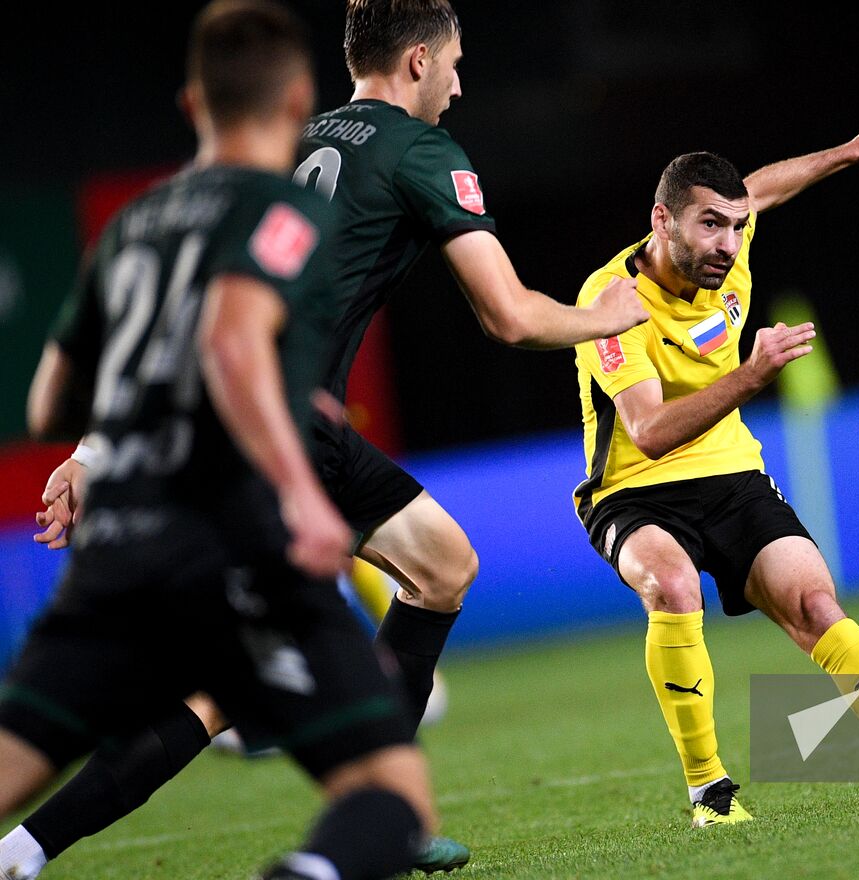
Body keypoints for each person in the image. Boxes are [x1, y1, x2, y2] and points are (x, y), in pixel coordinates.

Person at [10, 0, 647, 875]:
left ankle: (384, 812)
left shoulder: (289, 137)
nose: (460, 86)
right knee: (217, 691)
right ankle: (33, 847)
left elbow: (193, 308)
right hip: (279, 430)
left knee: (443, 565)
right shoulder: (420, 150)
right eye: (455, 64)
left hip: (253, 428)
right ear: (417, 61)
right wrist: (602, 315)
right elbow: (508, 318)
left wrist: (88, 451)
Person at [0, 4, 436, 880]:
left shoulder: (130, 225)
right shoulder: (283, 215)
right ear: (299, 97)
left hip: (116, 555)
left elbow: (48, 398)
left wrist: (87, 454)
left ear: (193, 101)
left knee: (20, 756)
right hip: (233, 546)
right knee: (391, 800)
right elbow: (233, 347)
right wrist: (304, 493)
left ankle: (21, 853)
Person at [571, 107, 859, 828]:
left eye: (736, 226)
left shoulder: (730, 238)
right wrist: (750, 377)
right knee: (670, 586)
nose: (728, 243)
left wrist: (853, 151)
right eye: (709, 226)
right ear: (662, 221)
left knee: (815, 602)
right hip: (634, 489)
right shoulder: (613, 300)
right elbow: (649, 430)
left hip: (731, 476)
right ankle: (710, 793)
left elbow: (763, 187)